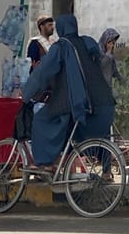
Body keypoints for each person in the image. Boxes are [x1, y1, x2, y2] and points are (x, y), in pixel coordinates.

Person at [21, 14, 115, 171]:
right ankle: (104, 171)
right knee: (99, 135)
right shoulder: (87, 42)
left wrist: (27, 93)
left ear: (60, 29)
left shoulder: (61, 47)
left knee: (41, 120)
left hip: (76, 103)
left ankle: (45, 163)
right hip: (103, 103)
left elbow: (42, 73)